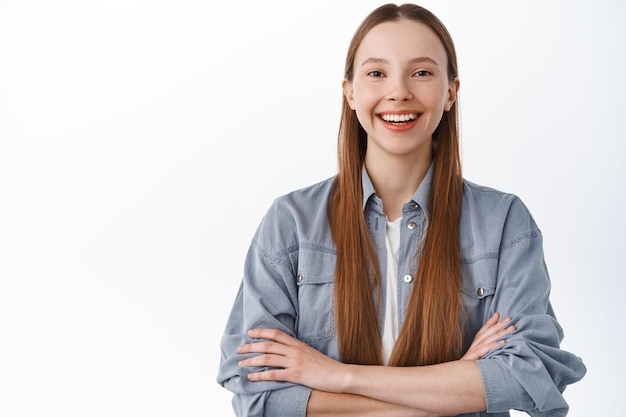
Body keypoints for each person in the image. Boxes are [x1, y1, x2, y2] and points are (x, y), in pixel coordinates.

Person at [217, 3, 586, 416]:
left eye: (422, 72)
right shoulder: (291, 223)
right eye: (377, 73)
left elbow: (530, 375)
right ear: (350, 92)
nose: (399, 91)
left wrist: (337, 375)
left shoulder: (503, 223)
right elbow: (258, 394)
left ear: (450, 92)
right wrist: (455, 386)